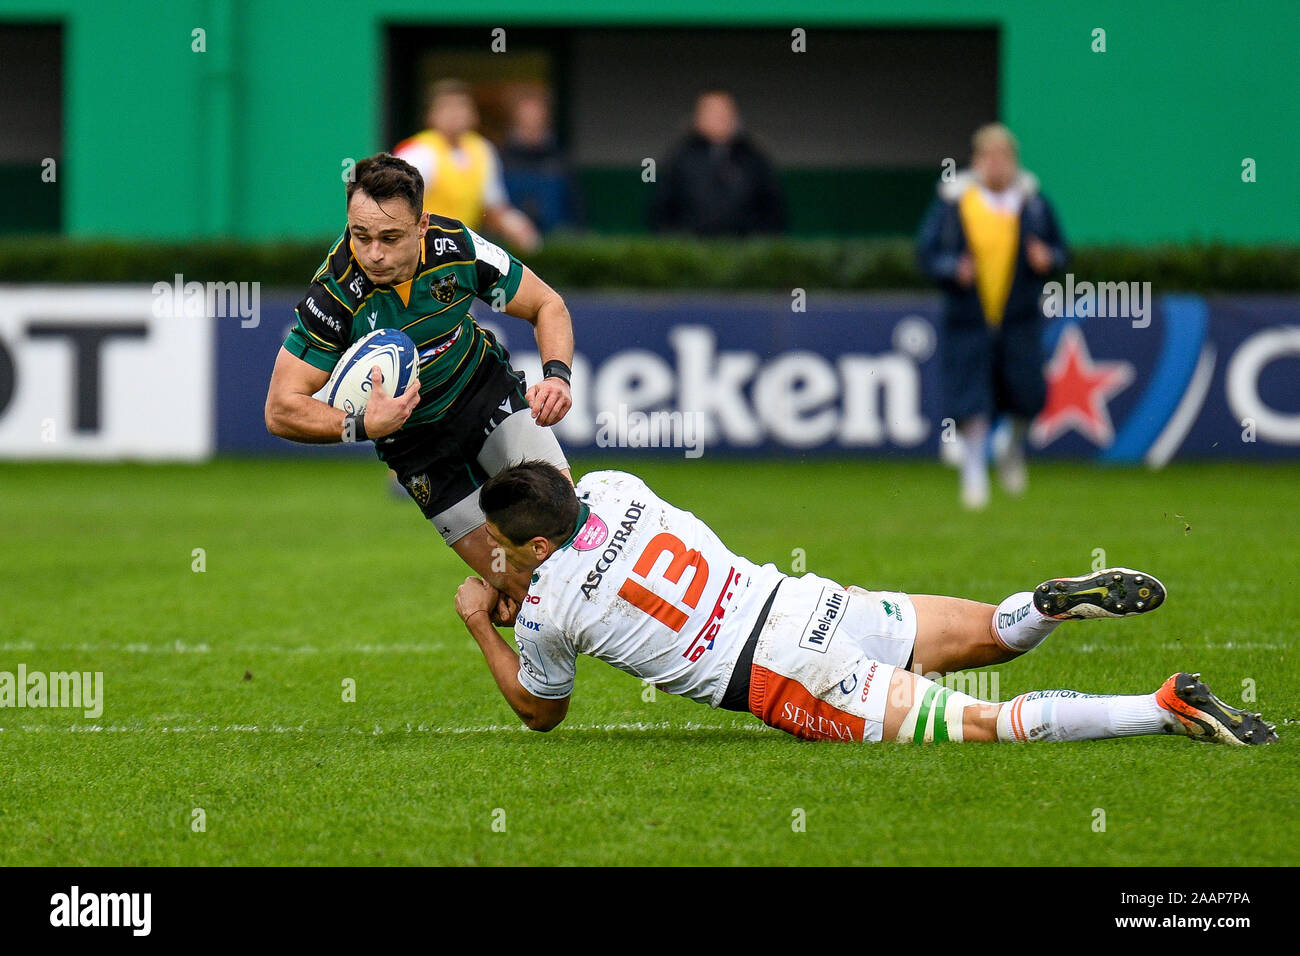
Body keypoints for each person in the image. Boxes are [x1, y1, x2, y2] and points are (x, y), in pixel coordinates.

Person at [454, 461, 1277, 746]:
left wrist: (480, 618)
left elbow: (540, 710)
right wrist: (519, 576)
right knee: (993, 633)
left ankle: (1162, 706)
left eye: (501, 543)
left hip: (784, 674)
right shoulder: (614, 486)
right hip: (808, 602)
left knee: (990, 724)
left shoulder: (545, 610)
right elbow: (578, 546)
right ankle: (1048, 605)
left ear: (532, 549)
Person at [264, 154, 574, 604]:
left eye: (390, 237)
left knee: (566, 535)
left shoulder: (457, 248)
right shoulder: (334, 295)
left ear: (422, 225)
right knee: (524, 588)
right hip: (417, 447)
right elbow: (280, 408)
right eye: (360, 235)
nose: (373, 253)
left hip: (484, 394)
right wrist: (362, 426)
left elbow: (547, 305)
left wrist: (557, 377)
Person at [916, 123, 1068, 509]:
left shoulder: (1033, 203)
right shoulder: (954, 203)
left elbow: (1061, 250)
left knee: (1028, 393)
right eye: (989, 157)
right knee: (972, 399)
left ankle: (1010, 449)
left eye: (1004, 158)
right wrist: (953, 268)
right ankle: (974, 472)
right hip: (968, 320)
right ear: (977, 161)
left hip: (1019, 319)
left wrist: (1047, 258)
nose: (997, 165)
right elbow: (926, 253)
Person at [394, 78, 540, 253]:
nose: (455, 114)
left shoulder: (483, 150)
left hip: (461, 253)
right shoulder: (417, 152)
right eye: (446, 108)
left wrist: (517, 226)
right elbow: (396, 206)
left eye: (461, 107)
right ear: (431, 116)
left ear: (473, 114)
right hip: (420, 251)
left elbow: (493, 207)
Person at [650, 87, 786, 237]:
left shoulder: (753, 157)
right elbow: (661, 210)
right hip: (694, 251)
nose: (721, 118)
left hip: (743, 251)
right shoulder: (679, 158)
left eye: (725, 112)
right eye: (712, 112)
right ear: (698, 118)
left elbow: (773, 210)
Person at [500, 87, 580, 235]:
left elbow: (574, 208)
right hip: (510, 243)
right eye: (526, 114)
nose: (532, 118)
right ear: (516, 117)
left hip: (556, 243)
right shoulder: (500, 159)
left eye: (537, 113)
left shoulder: (560, 159)